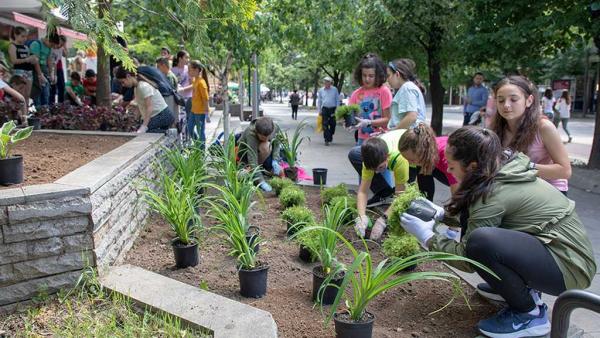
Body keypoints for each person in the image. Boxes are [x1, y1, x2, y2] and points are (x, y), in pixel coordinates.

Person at [399, 126, 596, 338]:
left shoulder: (492, 193)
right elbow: (476, 215)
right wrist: (441, 215)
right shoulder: (496, 171)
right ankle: (517, 290)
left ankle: (528, 313)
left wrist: (427, 237)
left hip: (569, 267)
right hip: (558, 251)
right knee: (482, 237)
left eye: (453, 167)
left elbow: (468, 260)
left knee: (480, 242)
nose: (451, 172)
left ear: (472, 166)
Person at [491, 75, 571, 195]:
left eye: (513, 99)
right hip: (513, 189)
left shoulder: (544, 127)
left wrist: (525, 166)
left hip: (549, 193)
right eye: (501, 100)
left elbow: (565, 171)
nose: (506, 105)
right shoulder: (494, 129)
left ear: (529, 101)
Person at [350, 129, 409, 240]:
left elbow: (400, 195)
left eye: (380, 167)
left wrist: (383, 220)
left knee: (410, 195)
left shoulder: (400, 160)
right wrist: (361, 216)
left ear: (387, 157)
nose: (377, 173)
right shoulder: (368, 162)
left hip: (408, 146)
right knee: (353, 154)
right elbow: (362, 191)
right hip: (390, 143)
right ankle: (385, 193)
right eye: (373, 170)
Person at [398, 123, 458, 201]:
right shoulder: (426, 151)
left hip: (472, 176)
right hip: (438, 164)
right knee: (423, 168)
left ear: (423, 151)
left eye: (411, 160)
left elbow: (458, 193)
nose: (409, 163)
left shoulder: (447, 157)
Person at [348, 53, 393, 145]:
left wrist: (369, 122)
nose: (367, 79)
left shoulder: (384, 91)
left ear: (378, 75)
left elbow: (388, 119)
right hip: (362, 140)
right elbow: (351, 117)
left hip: (380, 139)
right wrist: (349, 122)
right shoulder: (355, 94)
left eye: (371, 76)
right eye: (364, 75)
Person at [115, 66, 174, 133]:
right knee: (139, 130)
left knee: (146, 132)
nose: (123, 85)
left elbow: (150, 107)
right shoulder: (136, 88)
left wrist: (144, 126)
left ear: (128, 76)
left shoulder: (143, 86)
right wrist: (136, 121)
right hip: (156, 116)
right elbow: (141, 106)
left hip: (163, 115)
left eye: (123, 82)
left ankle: (169, 133)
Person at [238, 116, 283, 192]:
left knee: (280, 172)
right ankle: (253, 171)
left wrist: (275, 161)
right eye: (262, 137)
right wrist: (261, 182)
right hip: (246, 158)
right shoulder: (250, 134)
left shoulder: (275, 128)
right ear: (257, 132)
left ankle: (262, 170)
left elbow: (277, 144)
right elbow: (252, 158)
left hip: (263, 157)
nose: (266, 139)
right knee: (265, 146)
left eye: (268, 137)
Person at [8, 26, 44, 114]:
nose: (24, 38)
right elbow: (14, 60)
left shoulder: (25, 47)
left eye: (25, 36)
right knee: (20, 94)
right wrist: (26, 59)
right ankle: (17, 114)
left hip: (29, 71)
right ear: (16, 35)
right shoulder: (12, 46)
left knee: (27, 94)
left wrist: (34, 59)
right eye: (22, 36)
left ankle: (25, 114)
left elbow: (31, 58)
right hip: (19, 71)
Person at [386, 58, 427, 129]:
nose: (387, 80)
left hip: (408, 137)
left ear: (397, 74)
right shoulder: (407, 88)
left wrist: (392, 132)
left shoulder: (407, 88)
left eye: (388, 75)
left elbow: (411, 116)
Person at [29, 31, 59, 107]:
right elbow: (36, 61)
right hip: (35, 71)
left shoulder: (48, 47)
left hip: (44, 71)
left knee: (46, 94)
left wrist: (51, 73)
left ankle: (45, 112)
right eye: (51, 44)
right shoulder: (36, 44)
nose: (51, 47)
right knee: (37, 94)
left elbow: (49, 59)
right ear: (47, 39)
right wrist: (40, 75)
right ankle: (39, 113)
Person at [188, 60, 209, 148]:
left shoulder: (201, 83)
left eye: (190, 70)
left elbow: (205, 98)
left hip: (200, 111)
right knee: (190, 128)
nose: (189, 72)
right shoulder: (195, 81)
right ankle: (197, 145)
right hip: (193, 110)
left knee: (200, 131)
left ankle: (201, 151)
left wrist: (206, 112)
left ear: (196, 70)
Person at [172, 51, 192, 138]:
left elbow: (193, 84)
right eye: (186, 57)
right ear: (180, 58)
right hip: (177, 99)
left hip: (187, 98)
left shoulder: (189, 69)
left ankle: (187, 139)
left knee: (187, 120)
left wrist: (183, 89)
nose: (188, 60)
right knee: (179, 119)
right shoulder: (173, 70)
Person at [156, 56, 179, 127]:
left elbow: (168, 91)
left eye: (158, 66)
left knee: (171, 123)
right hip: (170, 102)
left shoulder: (169, 77)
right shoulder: (168, 75)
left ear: (163, 65)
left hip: (170, 102)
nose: (157, 69)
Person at [316, 76, 340, 146]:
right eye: (325, 82)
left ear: (330, 82)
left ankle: (330, 135)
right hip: (325, 109)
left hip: (332, 109)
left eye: (328, 82)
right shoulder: (321, 90)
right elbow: (319, 101)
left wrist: (337, 109)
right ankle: (326, 139)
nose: (326, 83)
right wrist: (319, 110)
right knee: (325, 124)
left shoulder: (334, 89)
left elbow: (337, 100)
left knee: (333, 124)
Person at [49, 35, 67, 104]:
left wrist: (64, 46)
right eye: (60, 43)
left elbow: (65, 55)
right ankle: (52, 103)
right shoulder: (51, 48)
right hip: (52, 68)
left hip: (59, 68)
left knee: (61, 86)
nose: (59, 45)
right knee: (53, 87)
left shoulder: (61, 48)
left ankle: (61, 103)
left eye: (62, 44)